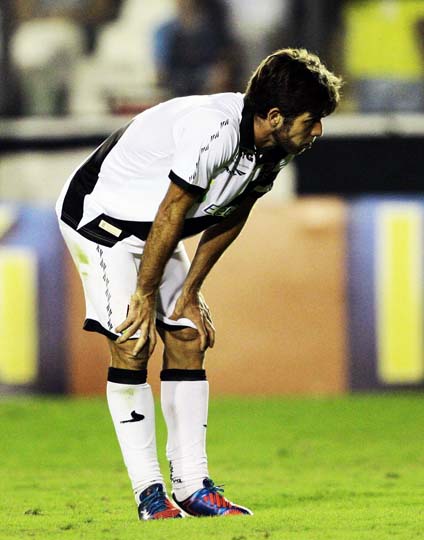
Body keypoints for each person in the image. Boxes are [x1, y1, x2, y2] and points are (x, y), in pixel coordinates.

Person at [56, 48, 342, 520]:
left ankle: (192, 486)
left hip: (155, 231)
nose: (318, 131)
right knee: (132, 342)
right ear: (275, 116)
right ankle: (149, 493)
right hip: (101, 224)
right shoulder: (213, 131)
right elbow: (173, 209)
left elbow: (233, 213)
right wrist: (144, 295)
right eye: (312, 120)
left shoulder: (273, 149)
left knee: (188, 334)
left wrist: (189, 290)